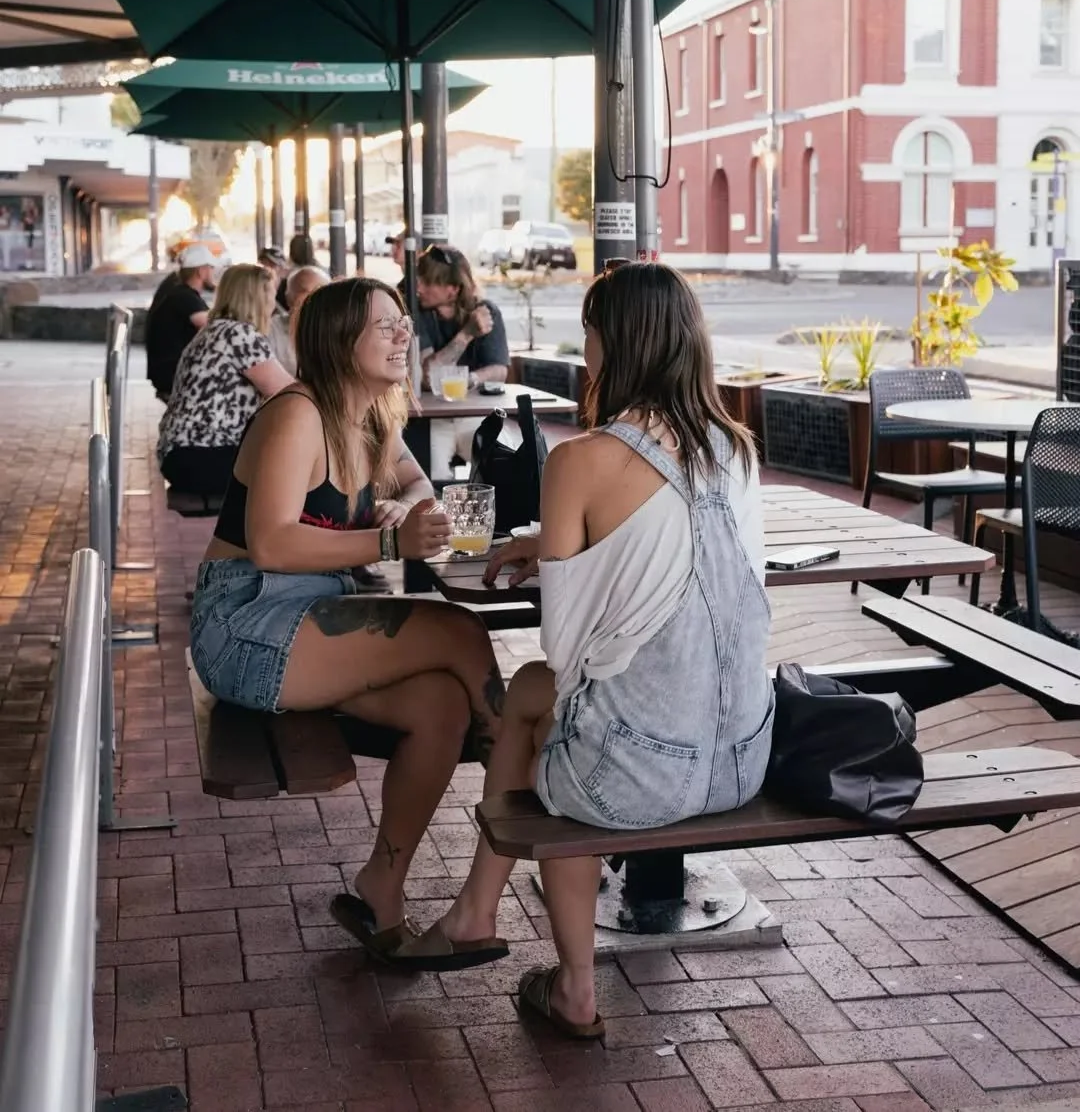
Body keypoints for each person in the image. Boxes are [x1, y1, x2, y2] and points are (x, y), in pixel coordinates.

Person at [394, 262, 774, 1037]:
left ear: (615, 344)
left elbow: (567, 649)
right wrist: (565, 547)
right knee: (535, 697)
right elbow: (703, 571)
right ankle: (477, 912)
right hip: (744, 754)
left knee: (549, 712)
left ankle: (562, 978)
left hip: (646, 776)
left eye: (591, 330)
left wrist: (567, 553)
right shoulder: (734, 448)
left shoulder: (580, 460)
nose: (586, 347)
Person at [188, 276, 506, 956]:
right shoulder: (297, 414)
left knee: (441, 705)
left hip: (315, 610)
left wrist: (400, 507)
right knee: (460, 631)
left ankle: (380, 887)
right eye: (384, 324)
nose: (403, 333)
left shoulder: (373, 417)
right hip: (245, 620)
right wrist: (389, 543)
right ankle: (524, 780)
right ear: (339, 341)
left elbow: (417, 482)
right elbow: (271, 542)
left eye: (402, 321)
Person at [158, 263, 292, 496]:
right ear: (257, 297)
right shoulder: (239, 335)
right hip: (201, 455)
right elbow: (289, 392)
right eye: (272, 294)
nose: (274, 304)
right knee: (295, 468)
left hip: (182, 452)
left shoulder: (216, 329)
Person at [416, 245, 510, 478]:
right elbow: (427, 377)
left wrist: (471, 378)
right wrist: (466, 334)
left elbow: (500, 370)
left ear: (453, 289)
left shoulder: (486, 311)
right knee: (428, 477)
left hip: (475, 415)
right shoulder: (418, 313)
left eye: (427, 282)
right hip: (431, 420)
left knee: (504, 465)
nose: (418, 287)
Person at [145, 245, 216, 401]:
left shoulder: (179, 292)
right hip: (176, 377)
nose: (213, 272)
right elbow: (214, 327)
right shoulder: (184, 297)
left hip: (170, 374)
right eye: (211, 268)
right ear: (201, 271)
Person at [269, 265, 331, 375]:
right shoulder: (271, 329)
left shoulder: (340, 330)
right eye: (305, 291)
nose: (313, 297)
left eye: (319, 291)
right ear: (288, 297)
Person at [259, 245, 291, 312]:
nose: (266, 267)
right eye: (264, 263)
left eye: (272, 264)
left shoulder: (289, 288)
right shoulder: (256, 287)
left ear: (282, 268)